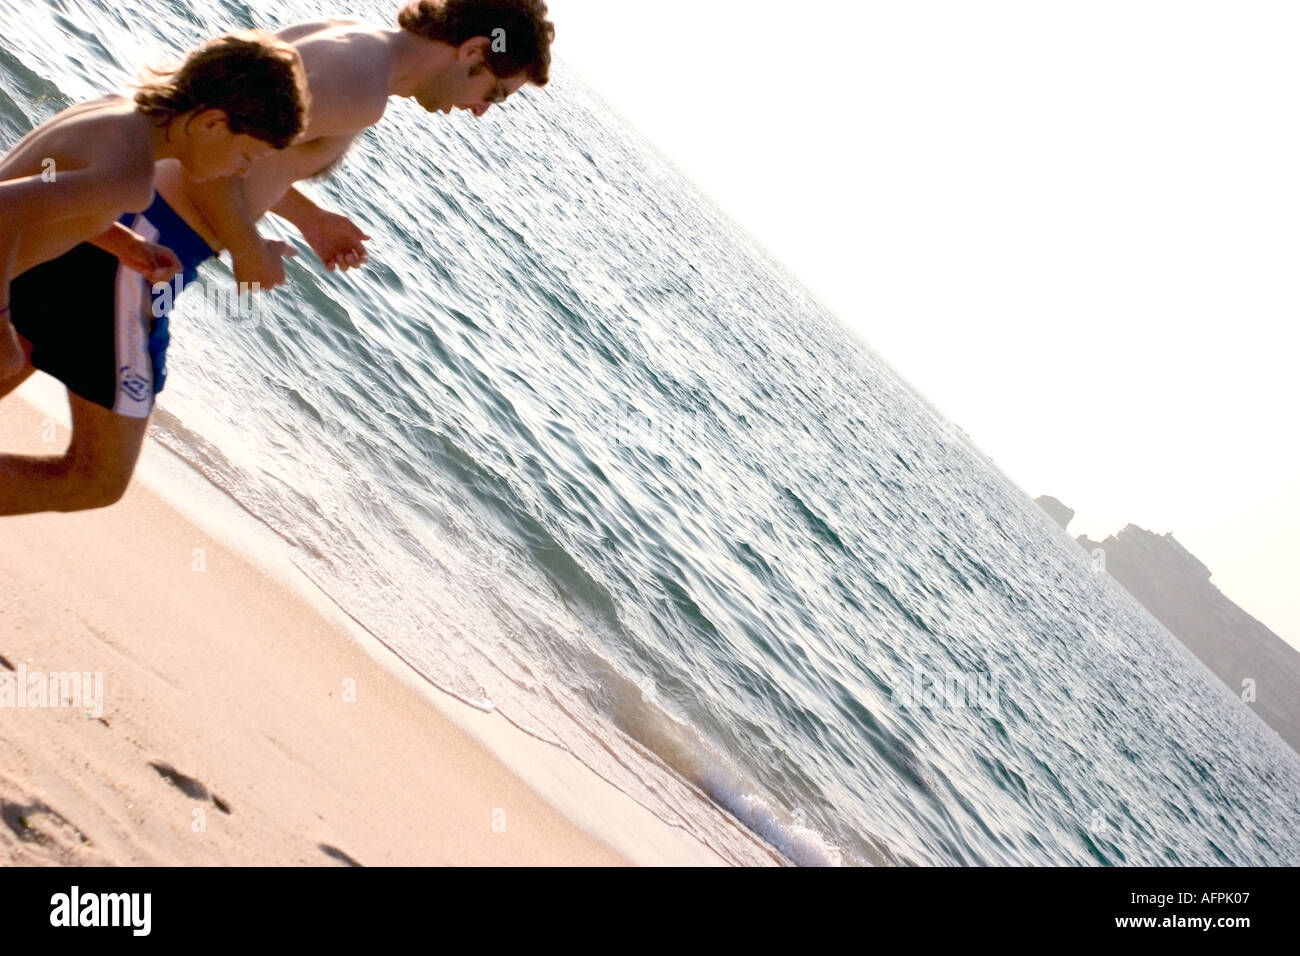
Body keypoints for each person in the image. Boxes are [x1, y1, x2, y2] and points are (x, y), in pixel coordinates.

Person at [0, 0, 555, 516]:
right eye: (495, 92)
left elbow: (242, 148)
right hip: (147, 242)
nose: (482, 111)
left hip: (129, 232)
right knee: (97, 478)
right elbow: (213, 150)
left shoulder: (355, 47)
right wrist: (247, 249)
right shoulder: (359, 88)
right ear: (474, 51)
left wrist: (308, 216)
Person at [0, 29, 309, 515]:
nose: (243, 173)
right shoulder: (129, 178)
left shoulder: (115, 115)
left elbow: (37, 196)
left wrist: (127, 244)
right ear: (211, 123)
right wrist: (1, 325)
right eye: (246, 157)